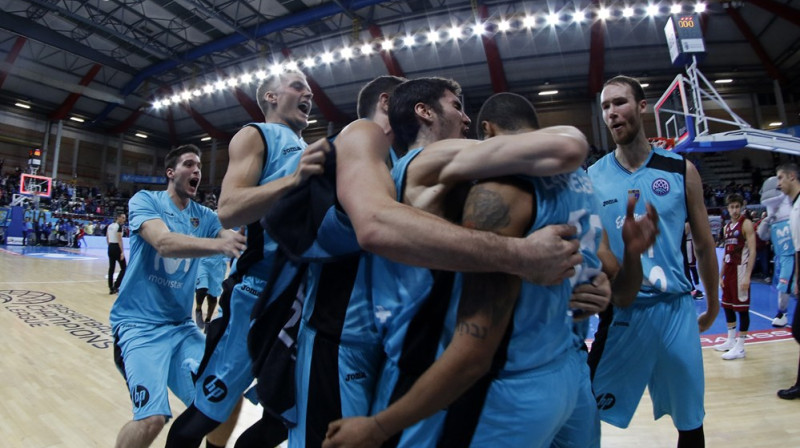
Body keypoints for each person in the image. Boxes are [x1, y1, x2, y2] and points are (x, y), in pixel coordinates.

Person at [322, 91, 657, 448]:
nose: (465, 119)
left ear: (489, 130)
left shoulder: (492, 189)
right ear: (424, 112)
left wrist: (378, 427)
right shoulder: (582, 182)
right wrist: (599, 276)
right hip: (569, 372)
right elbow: (609, 275)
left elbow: (474, 352)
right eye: (456, 106)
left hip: (502, 382)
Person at [165, 68, 327, 448]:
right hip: (253, 300)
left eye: (309, 89)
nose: (310, 94)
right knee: (202, 417)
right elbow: (229, 209)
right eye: (298, 86)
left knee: (282, 421)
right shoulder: (256, 135)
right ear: (271, 96)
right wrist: (293, 180)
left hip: (300, 302)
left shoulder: (309, 151)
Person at [587, 75, 719, 446]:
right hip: (623, 313)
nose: (612, 113)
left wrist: (711, 304)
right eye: (605, 107)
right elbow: (596, 251)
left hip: (676, 310)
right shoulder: (591, 178)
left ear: (643, 106)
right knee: (583, 412)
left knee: (691, 420)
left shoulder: (681, 170)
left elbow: (706, 246)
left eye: (620, 102)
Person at [109, 144, 247, 448]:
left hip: (181, 327)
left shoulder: (205, 217)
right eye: (189, 164)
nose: (196, 170)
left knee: (224, 394)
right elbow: (164, 242)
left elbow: (232, 237)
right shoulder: (146, 200)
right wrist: (221, 247)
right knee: (151, 419)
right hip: (138, 326)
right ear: (170, 173)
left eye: (199, 166)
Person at [714, 193, 756, 360]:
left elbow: (752, 251)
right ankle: (731, 340)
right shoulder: (726, 228)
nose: (735, 210)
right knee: (727, 306)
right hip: (729, 272)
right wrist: (720, 275)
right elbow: (726, 253)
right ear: (727, 209)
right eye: (732, 207)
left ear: (741, 207)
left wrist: (747, 276)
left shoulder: (746, 224)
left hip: (741, 270)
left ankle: (741, 346)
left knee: (742, 309)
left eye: (737, 206)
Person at [775, 163, 800, 400]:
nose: (778, 182)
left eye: (781, 177)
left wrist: (798, 279)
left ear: (793, 177)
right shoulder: (793, 207)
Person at [757, 176, 795, 327]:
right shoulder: (771, 218)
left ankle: (781, 313)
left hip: (794, 254)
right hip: (781, 256)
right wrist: (766, 221)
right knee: (784, 285)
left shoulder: (794, 211)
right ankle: (782, 313)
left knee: (789, 285)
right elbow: (763, 235)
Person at [193, 252, 227, 330]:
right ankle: (198, 310)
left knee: (213, 296)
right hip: (203, 261)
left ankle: (208, 320)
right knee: (202, 289)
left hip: (217, 264)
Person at [107, 213, 127, 294]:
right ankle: (116, 285)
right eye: (122, 217)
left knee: (111, 268)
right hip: (116, 248)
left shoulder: (110, 226)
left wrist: (110, 246)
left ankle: (111, 287)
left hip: (111, 246)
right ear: (118, 218)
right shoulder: (119, 227)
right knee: (124, 268)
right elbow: (120, 239)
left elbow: (107, 237)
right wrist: (122, 252)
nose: (124, 219)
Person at [684, 221, 704, 299]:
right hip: (687, 243)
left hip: (689, 243)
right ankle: (693, 287)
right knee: (688, 267)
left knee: (691, 266)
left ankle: (695, 287)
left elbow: (686, 231)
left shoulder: (687, 222)